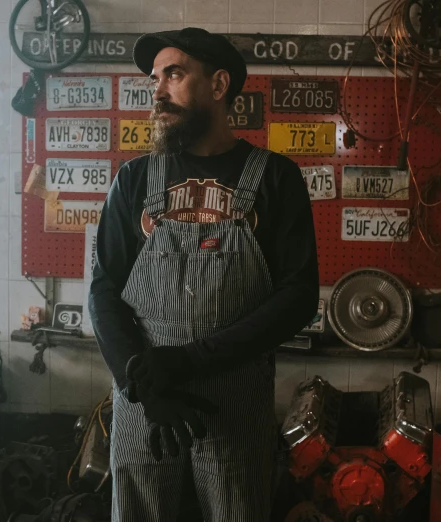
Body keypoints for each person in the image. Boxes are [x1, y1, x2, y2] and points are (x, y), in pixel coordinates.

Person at [88, 27, 319, 522]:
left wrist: (191, 361)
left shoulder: (277, 178)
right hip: (145, 399)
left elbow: (298, 295)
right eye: (155, 77)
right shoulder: (133, 180)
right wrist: (140, 381)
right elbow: (105, 291)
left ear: (218, 86)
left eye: (174, 73)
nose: (157, 90)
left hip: (235, 404)